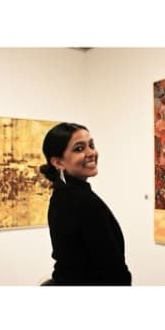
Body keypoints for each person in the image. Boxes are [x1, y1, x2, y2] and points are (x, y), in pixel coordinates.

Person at [39, 122, 132, 285]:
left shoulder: (61, 195)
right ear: (58, 162)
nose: (91, 153)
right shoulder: (82, 201)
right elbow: (112, 269)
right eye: (79, 148)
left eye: (91, 145)